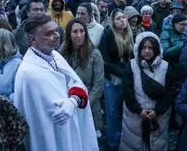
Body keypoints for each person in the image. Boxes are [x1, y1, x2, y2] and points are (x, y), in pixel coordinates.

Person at [14, 14, 98, 151]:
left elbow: (76, 82)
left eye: (56, 30)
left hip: (71, 128)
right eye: (49, 33)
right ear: (32, 38)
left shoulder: (55, 55)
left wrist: (73, 101)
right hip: (53, 137)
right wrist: (72, 99)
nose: (56, 35)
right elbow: (56, 112)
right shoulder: (29, 72)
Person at [120, 32, 175, 151]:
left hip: (158, 115)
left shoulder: (165, 67)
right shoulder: (131, 65)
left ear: (156, 49)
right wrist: (139, 110)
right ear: (139, 49)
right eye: (144, 47)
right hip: (135, 115)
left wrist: (157, 111)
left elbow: (170, 92)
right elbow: (127, 91)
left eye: (151, 48)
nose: (147, 51)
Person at [60, 18, 105, 138]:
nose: (79, 35)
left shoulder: (95, 54)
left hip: (89, 104)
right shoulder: (61, 54)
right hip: (68, 103)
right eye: (75, 32)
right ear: (69, 34)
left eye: (82, 31)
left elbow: (98, 85)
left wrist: (84, 104)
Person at [99, 9, 134, 150]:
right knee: (113, 111)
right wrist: (122, 72)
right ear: (113, 21)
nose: (122, 20)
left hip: (126, 78)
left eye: (124, 18)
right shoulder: (107, 34)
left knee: (124, 110)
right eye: (118, 18)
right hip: (112, 79)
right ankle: (113, 142)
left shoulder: (129, 34)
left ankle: (123, 140)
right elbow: (104, 61)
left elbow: (131, 57)